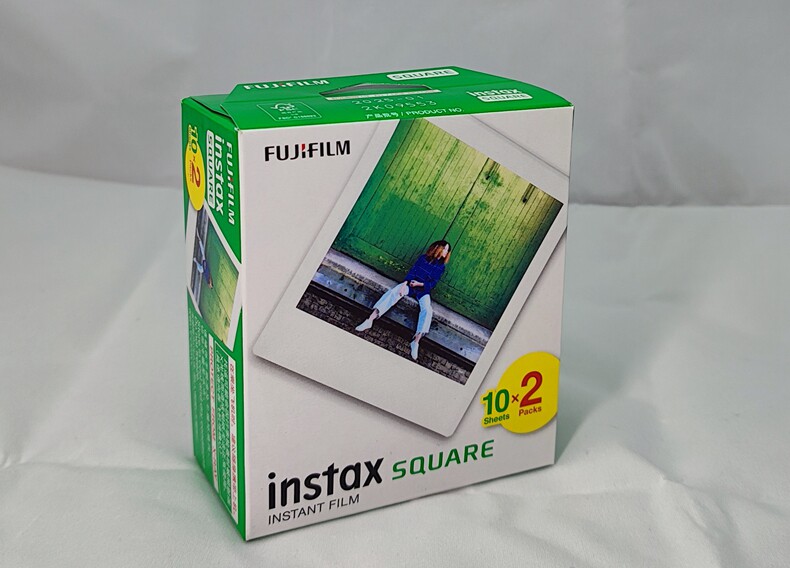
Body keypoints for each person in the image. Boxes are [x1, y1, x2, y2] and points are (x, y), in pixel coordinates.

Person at [355, 240, 451, 360]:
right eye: (444, 248)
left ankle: (416, 341)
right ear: (437, 248)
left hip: (422, 290)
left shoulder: (441, 267)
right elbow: (413, 271)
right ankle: (370, 320)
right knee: (393, 293)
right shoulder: (423, 258)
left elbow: (432, 283)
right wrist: (403, 285)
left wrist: (419, 284)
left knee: (427, 310)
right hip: (410, 285)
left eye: (448, 250)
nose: (446, 252)